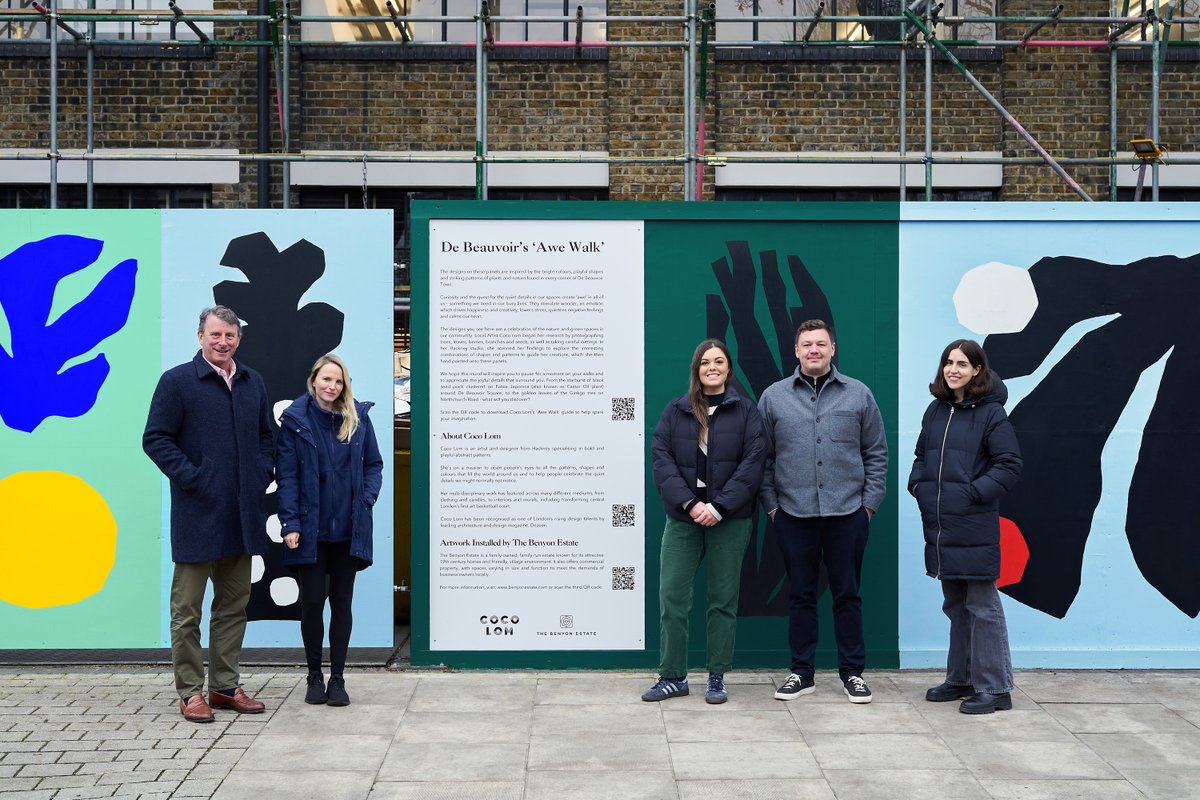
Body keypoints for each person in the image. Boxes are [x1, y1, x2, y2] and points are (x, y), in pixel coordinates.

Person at [143, 305, 275, 723]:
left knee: (234, 606)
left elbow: (266, 438)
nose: (223, 342)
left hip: (241, 514)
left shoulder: (252, 382)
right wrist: (194, 478)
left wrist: (260, 474)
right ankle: (189, 692)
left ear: (239, 339)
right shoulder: (178, 381)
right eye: (215, 335)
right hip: (198, 513)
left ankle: (223, 686)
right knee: (188, 611)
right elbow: (156, 439)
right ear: (200, 336)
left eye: (230, 336)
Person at [758, 319, 888, 704]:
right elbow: (761, 459)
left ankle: (853, 673)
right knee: (800, 595)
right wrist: (772, 509)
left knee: (848, 595)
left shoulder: (859, 395)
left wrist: (868, 506)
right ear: (796, 351)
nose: (814, 350)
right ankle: (802, 672)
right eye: (806, 344)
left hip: (848, 513)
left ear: (833, 349)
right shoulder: (773, 397)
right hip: (793, 515)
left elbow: (876, 453)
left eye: (821, 343)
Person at [642, 340, 766, 704]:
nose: (712, 367)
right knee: (672, 596)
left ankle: (716, 676)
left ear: (729, 368)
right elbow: (661, 460)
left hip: (730, 520)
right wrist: (692, 503)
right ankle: (673, 676)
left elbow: (753, 464)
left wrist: (719, 507)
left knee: (722, 599)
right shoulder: (675, 411)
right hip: (684, 518)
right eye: (705, 362)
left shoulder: (747, 412)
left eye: (719, 361)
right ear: (696, 369)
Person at [908, 339, 1022, 714]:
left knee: (982, 604)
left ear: (977, 370)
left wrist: (972, 494)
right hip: (941, 525)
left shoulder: (991, 414)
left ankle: (996, 688)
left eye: (962, 364)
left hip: (973, 523)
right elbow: (922, 457)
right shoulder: (936, 410)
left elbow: (1009, 464)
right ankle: (961, 678)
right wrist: (919, 487)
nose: (953, 369)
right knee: (956, 603)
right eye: (948, 362)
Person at [276, 354, 384, 707]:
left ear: (344, 385)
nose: (331, 386)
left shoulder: (358, 419)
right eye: (326, 379)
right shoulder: (295, 420)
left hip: (347, 529)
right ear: (313, 380)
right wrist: (290, 524)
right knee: (311, 603)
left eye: (338, 381)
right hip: (309, 529)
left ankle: (337, 679)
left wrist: (365, 499)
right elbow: (287, 476)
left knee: (342, 603)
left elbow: (374, 465)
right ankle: (313, 676)